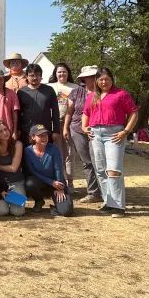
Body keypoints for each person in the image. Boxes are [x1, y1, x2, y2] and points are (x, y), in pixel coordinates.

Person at [81, 67, 138, 218]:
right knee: (100, 170)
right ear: (96, 81)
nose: (104, 82)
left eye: (107, 79)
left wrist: (126, 131)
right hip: (95, 134)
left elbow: (133, 113)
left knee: (113, 170)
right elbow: (86, 113)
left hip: (114, 134)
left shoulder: (121, 94)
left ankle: (119, 206)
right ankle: (109, 202)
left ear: (112, 79)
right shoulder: (92, 96)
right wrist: (84, 127)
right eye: (101, 79)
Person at [64, 65, 103, 203]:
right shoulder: (75, 92)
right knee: (87, 161)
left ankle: (103, 191)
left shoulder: (103, 92)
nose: (91, 79)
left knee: (99, 161)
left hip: (97, 130)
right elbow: (69, 112)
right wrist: (65, 128)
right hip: (77, 129)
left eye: (94, 76)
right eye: (89, 77)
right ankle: (93, 193)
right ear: (83, 78)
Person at [23, 124, 73, 217]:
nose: (44, 138)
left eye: (45, 135)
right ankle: (39, 201)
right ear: (33, 137)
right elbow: (32, 171)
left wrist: (60, 188)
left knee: (67, 211)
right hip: (42, 182)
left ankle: (54, 208)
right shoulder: (27, 151)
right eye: (40, 136)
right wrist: (51, 182)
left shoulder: (54, 149)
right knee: (29, 184)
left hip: (57, 184)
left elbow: (58, 169)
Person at [0, 120, 26, 217]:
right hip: (0, 184)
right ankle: (7, 201)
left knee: (18, 212)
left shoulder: (17, 144)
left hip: (16, 182)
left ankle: (16, 201)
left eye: (5, 129)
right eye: (0, 132)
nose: (5, 133)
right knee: (1, 212)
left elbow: (13, 168)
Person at [49, 63, 79, 192]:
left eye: (64, 72)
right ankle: (59, 180)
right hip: (53, 124)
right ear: (55, 73)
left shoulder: (76, 88)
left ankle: (70, 182)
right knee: (56, 153)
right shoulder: (49, 87)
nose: (62, 74)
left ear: (68, 73)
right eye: (59, 72)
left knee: (69, 153)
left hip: (70, 124)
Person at [17, 64, 61, 144]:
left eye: (37, 75)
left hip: (45, 131)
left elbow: (55, 112)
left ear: (41, 76)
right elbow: (18, 114)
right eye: (31, 75)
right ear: (26, 76)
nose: (34, 78)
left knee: (46, 155)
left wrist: (56, 130)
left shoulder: (49, 90)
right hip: (27, 132)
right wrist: (18, 130)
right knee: (28, 155)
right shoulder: (21, 92)